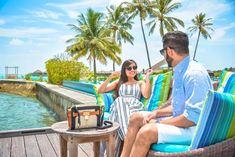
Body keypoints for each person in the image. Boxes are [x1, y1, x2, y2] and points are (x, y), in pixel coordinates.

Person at [120, 31, 213, 157]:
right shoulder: (180, 72)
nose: (163, 56)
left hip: (193, 129)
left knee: (145, 132)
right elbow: (178, 107)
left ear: (169, 51)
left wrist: (159, 123)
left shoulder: (194, 74)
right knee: (135, 118)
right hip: (182, 122)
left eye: (162, 52)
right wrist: (157, 113)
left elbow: (192, 118)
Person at [97, 59, 153, 156]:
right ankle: (127, 135)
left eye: (134, 67)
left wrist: (147, 77)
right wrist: (110, 77)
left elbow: (146, 95)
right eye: (129, 68)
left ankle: (122, 139)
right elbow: (100, 90)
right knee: (119, 101)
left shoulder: (140, 83)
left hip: (134, 109)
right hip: (119, 109)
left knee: (118, 107)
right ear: (124, 70)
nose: (132, 70)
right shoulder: (119, 83)